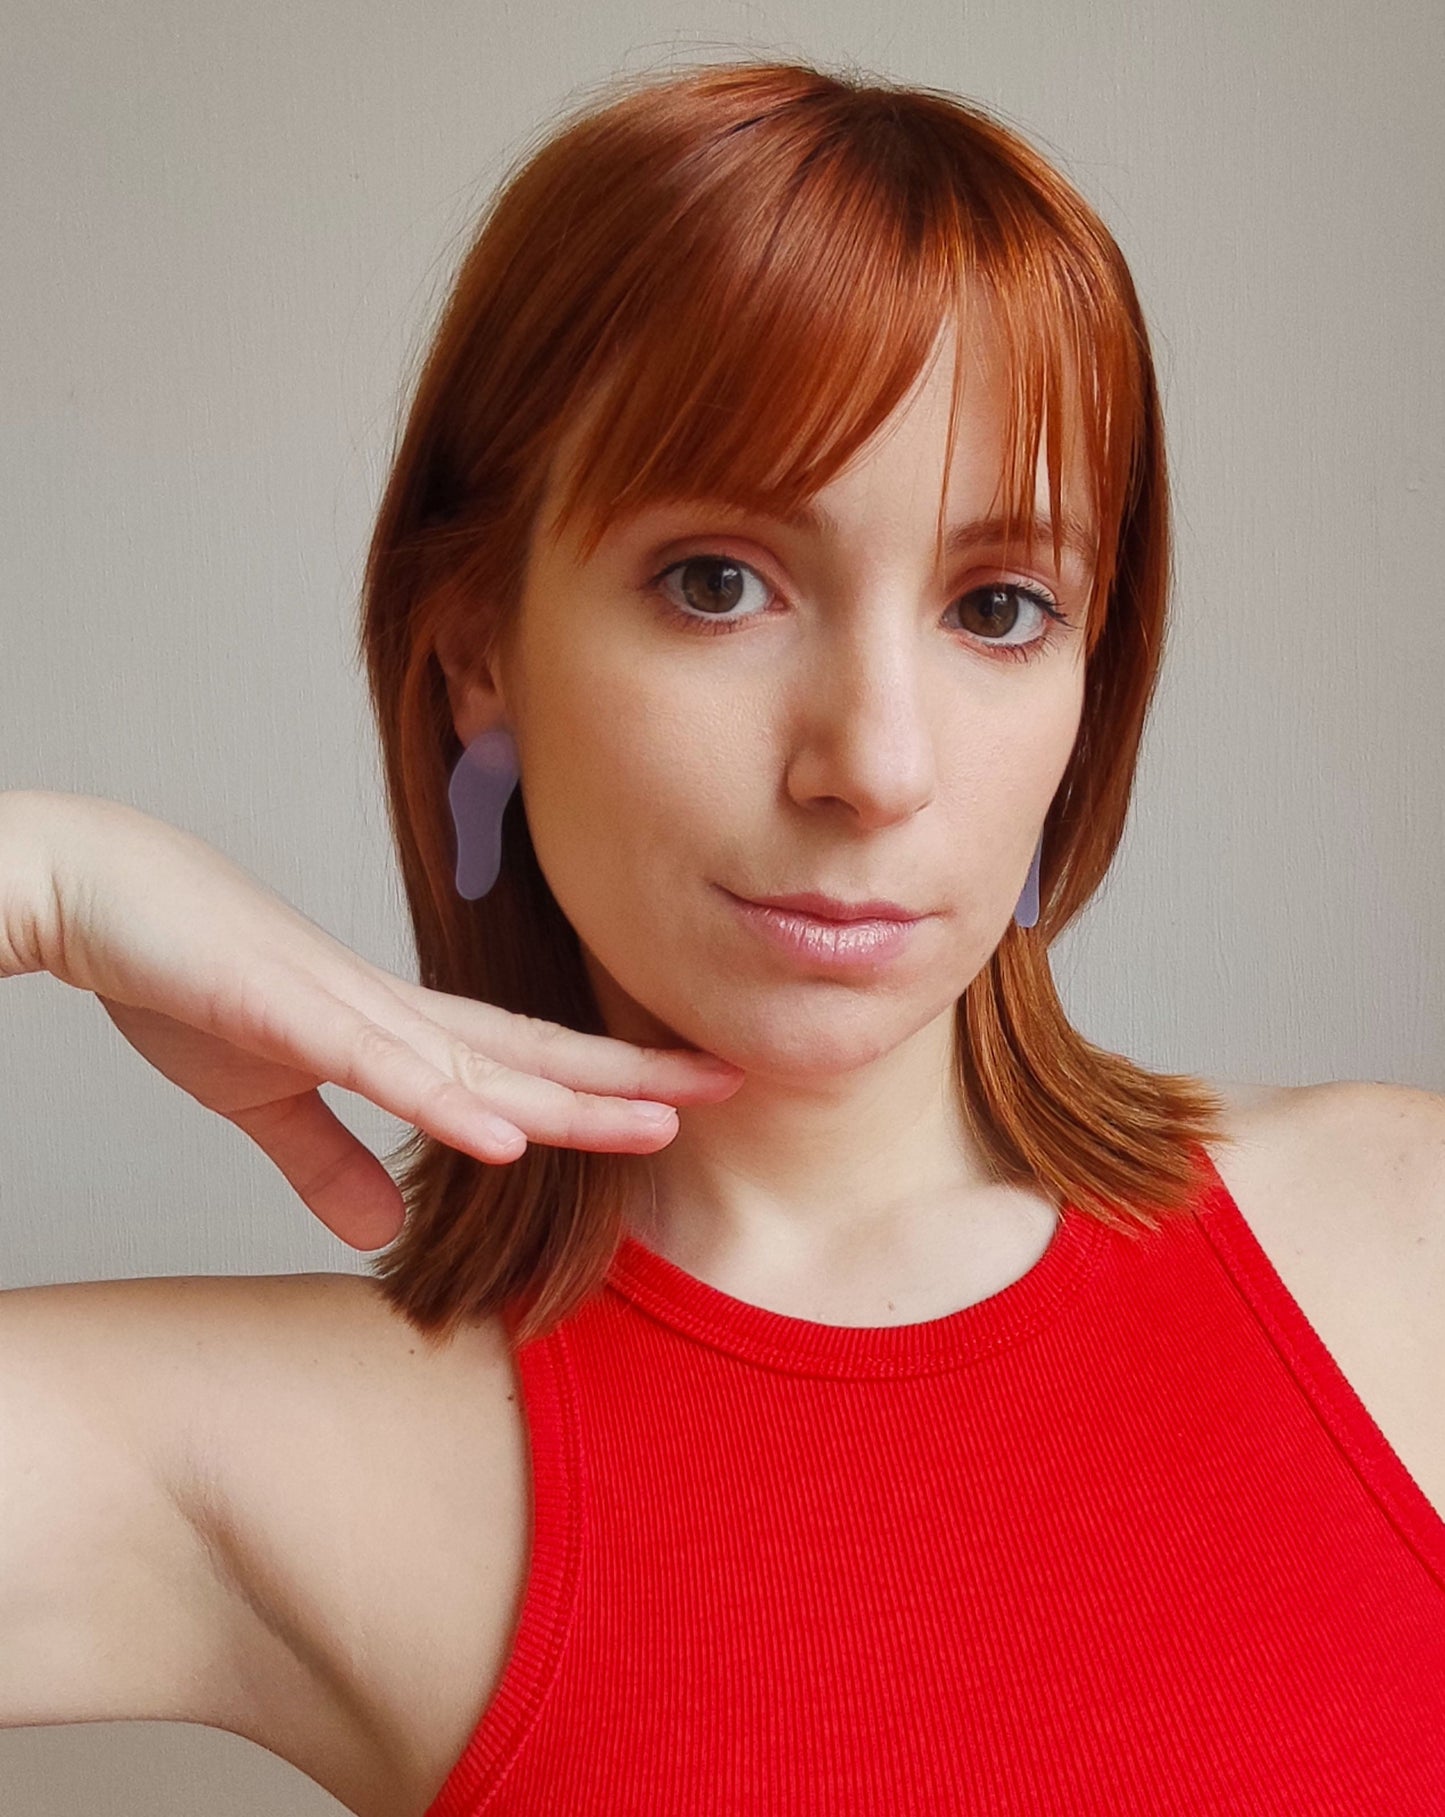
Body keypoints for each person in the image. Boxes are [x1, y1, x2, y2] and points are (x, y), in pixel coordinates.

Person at [3, 56, 1443, 1817]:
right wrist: (49, 880)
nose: (874, 763)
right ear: (474, 657)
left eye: (998, 606)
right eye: (717, 581)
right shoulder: (284, 1452)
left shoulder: (1402, 1241)